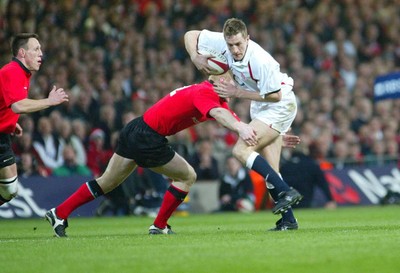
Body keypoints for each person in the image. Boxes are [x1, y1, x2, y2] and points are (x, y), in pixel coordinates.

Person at [45, 71, 258, 237]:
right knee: (187, 176)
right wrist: (240, 128)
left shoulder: (212, 95)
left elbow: (233, 118)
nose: (235, 89)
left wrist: (266, 134)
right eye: (233, 83)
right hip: (148, 137)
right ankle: (159, 225)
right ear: (221, 83)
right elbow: (221, 114)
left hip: (135, 128)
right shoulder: (206, 93)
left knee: (107, 182)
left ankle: (59, 213)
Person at [184, 18, 302, 231]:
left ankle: (286, 191)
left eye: (239, 44)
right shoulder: (222, 42)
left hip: (279, 103)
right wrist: (195, 57)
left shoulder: (260, 60)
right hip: (259, 105)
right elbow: (190, 35)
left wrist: (237, 92)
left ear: (248, 38)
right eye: (230, 45)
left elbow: (275, 96)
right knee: (271, 172)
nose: (235, 49)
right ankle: (289, 220)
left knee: (240, 150)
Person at [0, 33, 68, 206]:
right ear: (22, 52)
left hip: (3, 134)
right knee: (9, 189)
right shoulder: (13, 71)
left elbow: (5, 102)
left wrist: (9, 122)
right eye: (36, 49)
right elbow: (18, 106)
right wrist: (49, 101)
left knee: (10, 190)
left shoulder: (22, 73)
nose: (41, 54)